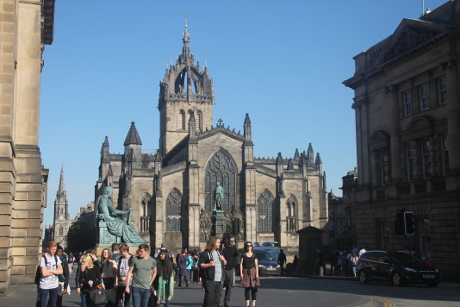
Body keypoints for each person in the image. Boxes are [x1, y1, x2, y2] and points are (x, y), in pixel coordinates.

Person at [198, 236, 227, 307]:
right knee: (209, 298)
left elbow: (225, 263)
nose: (220, 244)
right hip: (210, 279)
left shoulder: (219, 253)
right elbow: (200, 265)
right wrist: (209, 264)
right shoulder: (205, 253)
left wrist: (223, 260)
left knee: (216, 300)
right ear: (213, 243)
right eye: (218, 242)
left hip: (219, 280)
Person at [38, 241, 63, 307]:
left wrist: (49, 271)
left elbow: (61, 271)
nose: (54, 251)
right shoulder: (43, 258)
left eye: (55, 249)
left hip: (54, 285)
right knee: (43, 304)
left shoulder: (56, 258)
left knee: (53, 304)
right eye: (52, 249)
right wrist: (55, 271)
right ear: (48, 248)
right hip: (45, 284)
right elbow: (44, 273)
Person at [239, 241, 260, 307]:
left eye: (250, 245)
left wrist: (257, 274)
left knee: (253, 288)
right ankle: (247, 303)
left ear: (252, 247)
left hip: (252, 271)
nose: (249, 247)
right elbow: (241, 264)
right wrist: (241, 273)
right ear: (246, 247)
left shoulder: (254, 255)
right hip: (246, 271)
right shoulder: (243, 255)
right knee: (247, 288)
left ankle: (254, 302)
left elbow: (256, 265)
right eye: (247, 246)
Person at [221, 236, 238, 307]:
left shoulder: (234, 247)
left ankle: (226, 301)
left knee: (229, 286)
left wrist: (234, 266)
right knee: (220, 285)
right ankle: (218, 301)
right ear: (227, 240)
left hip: (230, 268)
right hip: (222, 268)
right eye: (231, 241)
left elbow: (235, 256)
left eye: (233, 241)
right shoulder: (222, 247)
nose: (232, 242)